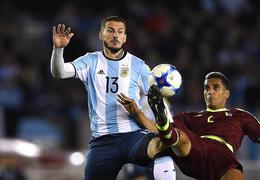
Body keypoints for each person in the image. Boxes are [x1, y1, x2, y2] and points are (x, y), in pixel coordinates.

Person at [117, 71, 260, 180]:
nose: (210, 92)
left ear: (226, 93)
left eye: (215, 88)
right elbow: (156, 130)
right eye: (206, 88)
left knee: (235, 176)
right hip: (194, 150)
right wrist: (137, 113)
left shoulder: (240, 116)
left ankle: (166, 123)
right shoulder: (190, 116)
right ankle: (164, 119)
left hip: (223, 157)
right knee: (178, 136)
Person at [50, 16, 176, 180]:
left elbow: (156, 96)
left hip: (133, 137)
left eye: (120, 32)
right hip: (102, 141)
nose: (115, 35)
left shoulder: (138, 65)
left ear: (124, 38)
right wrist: (58, 50)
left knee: (162, 146)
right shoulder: (90, 61)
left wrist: (163, 95)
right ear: (100, 35)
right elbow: (59, 72)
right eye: (110, 31)